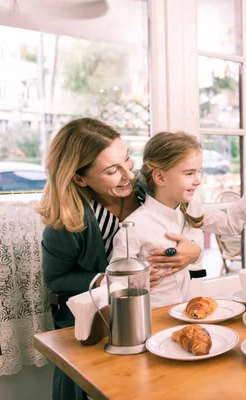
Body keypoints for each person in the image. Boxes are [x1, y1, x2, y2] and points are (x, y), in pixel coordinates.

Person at [37, 118, 201, 400]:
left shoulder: (143, 191)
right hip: (101, 325)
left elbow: (186, 221)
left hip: (155, 316)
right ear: (79, 178)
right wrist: (111, 280)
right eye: (112, 170)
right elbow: (55, 279)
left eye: (127, 160)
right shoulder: (67, 222)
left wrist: (193, 252)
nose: (128, 174)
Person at [111, 131, 246, 308]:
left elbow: (229, 225)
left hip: (184, 310)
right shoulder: (134, 227)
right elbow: (116, 283)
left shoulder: (191, 208)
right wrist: (132, 283)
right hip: (150, 317)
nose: (198, 181)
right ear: (160, 177)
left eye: (199, 172)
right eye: (189, 173)